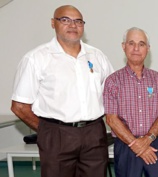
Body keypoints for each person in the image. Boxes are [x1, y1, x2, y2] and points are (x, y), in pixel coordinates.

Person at [11, 5, 114, 177]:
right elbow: (19, 106)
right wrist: (47, 132)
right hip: (56, 135)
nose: (73, 26)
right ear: (53, 23)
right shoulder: (36, 58)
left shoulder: (97, 56)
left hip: (94, 134)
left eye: (78, 21)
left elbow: (112, 94)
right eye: (65, 20)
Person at [102, 27, 158, 177]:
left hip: (155, 144)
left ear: (148, 49)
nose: (136, 48)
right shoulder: (113, 81)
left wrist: (147, 139)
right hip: (125, 145)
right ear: (123, 46)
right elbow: (111, 119)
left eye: (141, 44)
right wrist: (135, 145)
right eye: (131, 43)